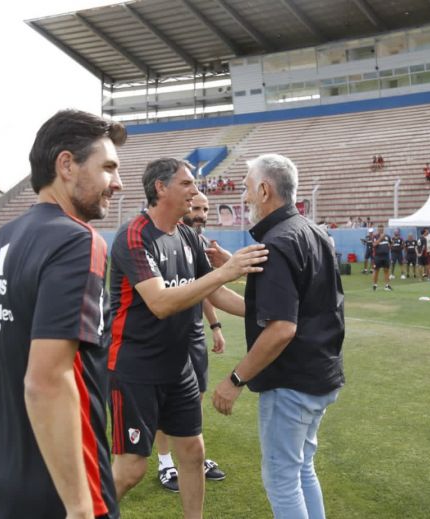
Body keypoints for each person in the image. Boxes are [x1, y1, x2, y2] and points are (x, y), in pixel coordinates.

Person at [0, 109, 127, 519]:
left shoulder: (4, 237)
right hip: (56, 491)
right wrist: (79, 507)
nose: (118, 183)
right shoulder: (77, 241)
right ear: (66, 165)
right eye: (108, 168)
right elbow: (47, 379)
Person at [107, 158, 267, 519]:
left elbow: (214, 294)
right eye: (187, 184)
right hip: (135, 368)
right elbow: (161, 302)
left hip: (178, 369)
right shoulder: (133, 236)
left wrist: (264, 313)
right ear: (160, 188)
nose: (196, 191)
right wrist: (224, 271)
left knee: (193, 454)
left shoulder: (188, 236)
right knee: (131, 469)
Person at [210, 153, 345, 519]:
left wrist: (235, 378)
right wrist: (229, 267)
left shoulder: (278, 241)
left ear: (266, 190)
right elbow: (291, 303)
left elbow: (282, 327)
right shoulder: (314, 232)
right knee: (301, 469)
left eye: (248, 188)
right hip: (320, 375)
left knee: (282, 479)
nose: (244, 197)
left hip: (292, 382)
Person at [153, 192, 227, 492]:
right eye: (196, 207)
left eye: (206, 209)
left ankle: (193, 457)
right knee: (164, 400)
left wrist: (215, 325)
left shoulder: (198, 241)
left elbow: (201, 289)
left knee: (195, 394)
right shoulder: (159, 238)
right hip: (165, 334)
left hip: (194, 331)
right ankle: (165, 461)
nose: (201, 213)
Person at [371, 224, 393, 291]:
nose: (381, 229)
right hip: (378, 256)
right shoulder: (375, 236)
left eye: (382, 228)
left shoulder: (387, 236)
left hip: (386, 256)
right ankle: (375, 285)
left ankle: (387, 285)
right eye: (379, 228)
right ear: (377, 229)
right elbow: (374, 244)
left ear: (383, 229)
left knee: (386, 270)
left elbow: (391, 243)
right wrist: (381, 238)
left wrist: (389, 247)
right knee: (376, 270)